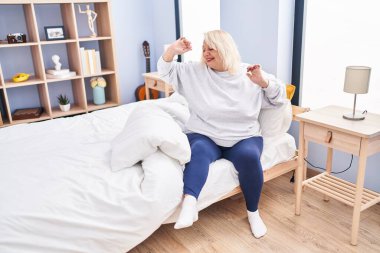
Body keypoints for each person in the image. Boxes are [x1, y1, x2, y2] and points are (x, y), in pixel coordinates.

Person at [157, 30, 286, 238]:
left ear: (225, 48)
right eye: (203, 49)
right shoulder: (196, 71)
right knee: (198, 150)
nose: (205, 53)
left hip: (243, 137)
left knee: (250, 157)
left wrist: (264, 82)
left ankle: (253, 213)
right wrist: (172, 50)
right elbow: (165, 71)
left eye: (211, 49)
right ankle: (189, 204)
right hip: (205, 134)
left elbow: (280, 98)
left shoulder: (249, 73)